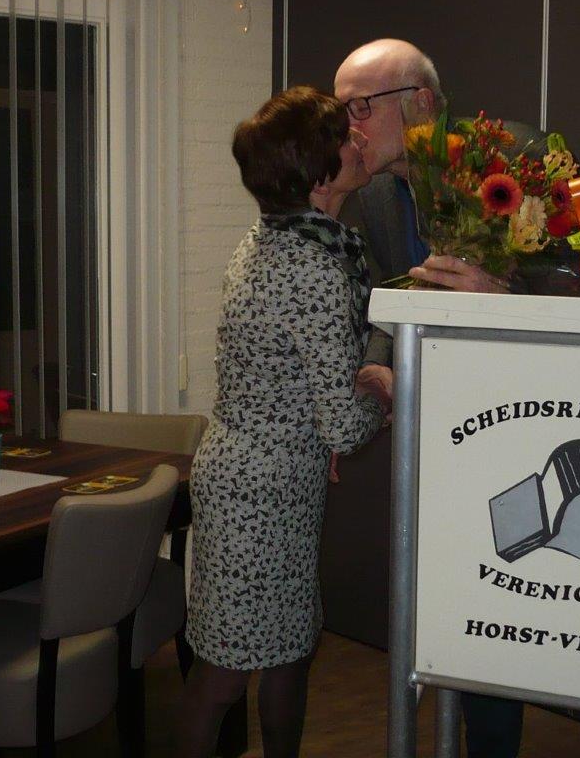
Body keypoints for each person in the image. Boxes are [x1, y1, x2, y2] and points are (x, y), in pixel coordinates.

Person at [333, 39, 580, 758]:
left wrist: (504, 297)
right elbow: (392, 294)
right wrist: (376, 368)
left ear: (420, 102)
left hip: (569, 420)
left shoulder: (528, 155)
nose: (348, 126)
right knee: (480, 605)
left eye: (360, 107)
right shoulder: (375, 197)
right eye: (340, 109)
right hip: (465, 435)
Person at [175, 86, 392, 758]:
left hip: (256, 475)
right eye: (344, 137)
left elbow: (299, 382)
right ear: (318, 174)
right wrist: (387, 394)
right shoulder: (314, 266)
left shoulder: (275, 240)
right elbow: (344, 426)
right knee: (227, 669)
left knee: (287, 651)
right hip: (263, 490)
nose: (359, 142)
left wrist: (346, 394)